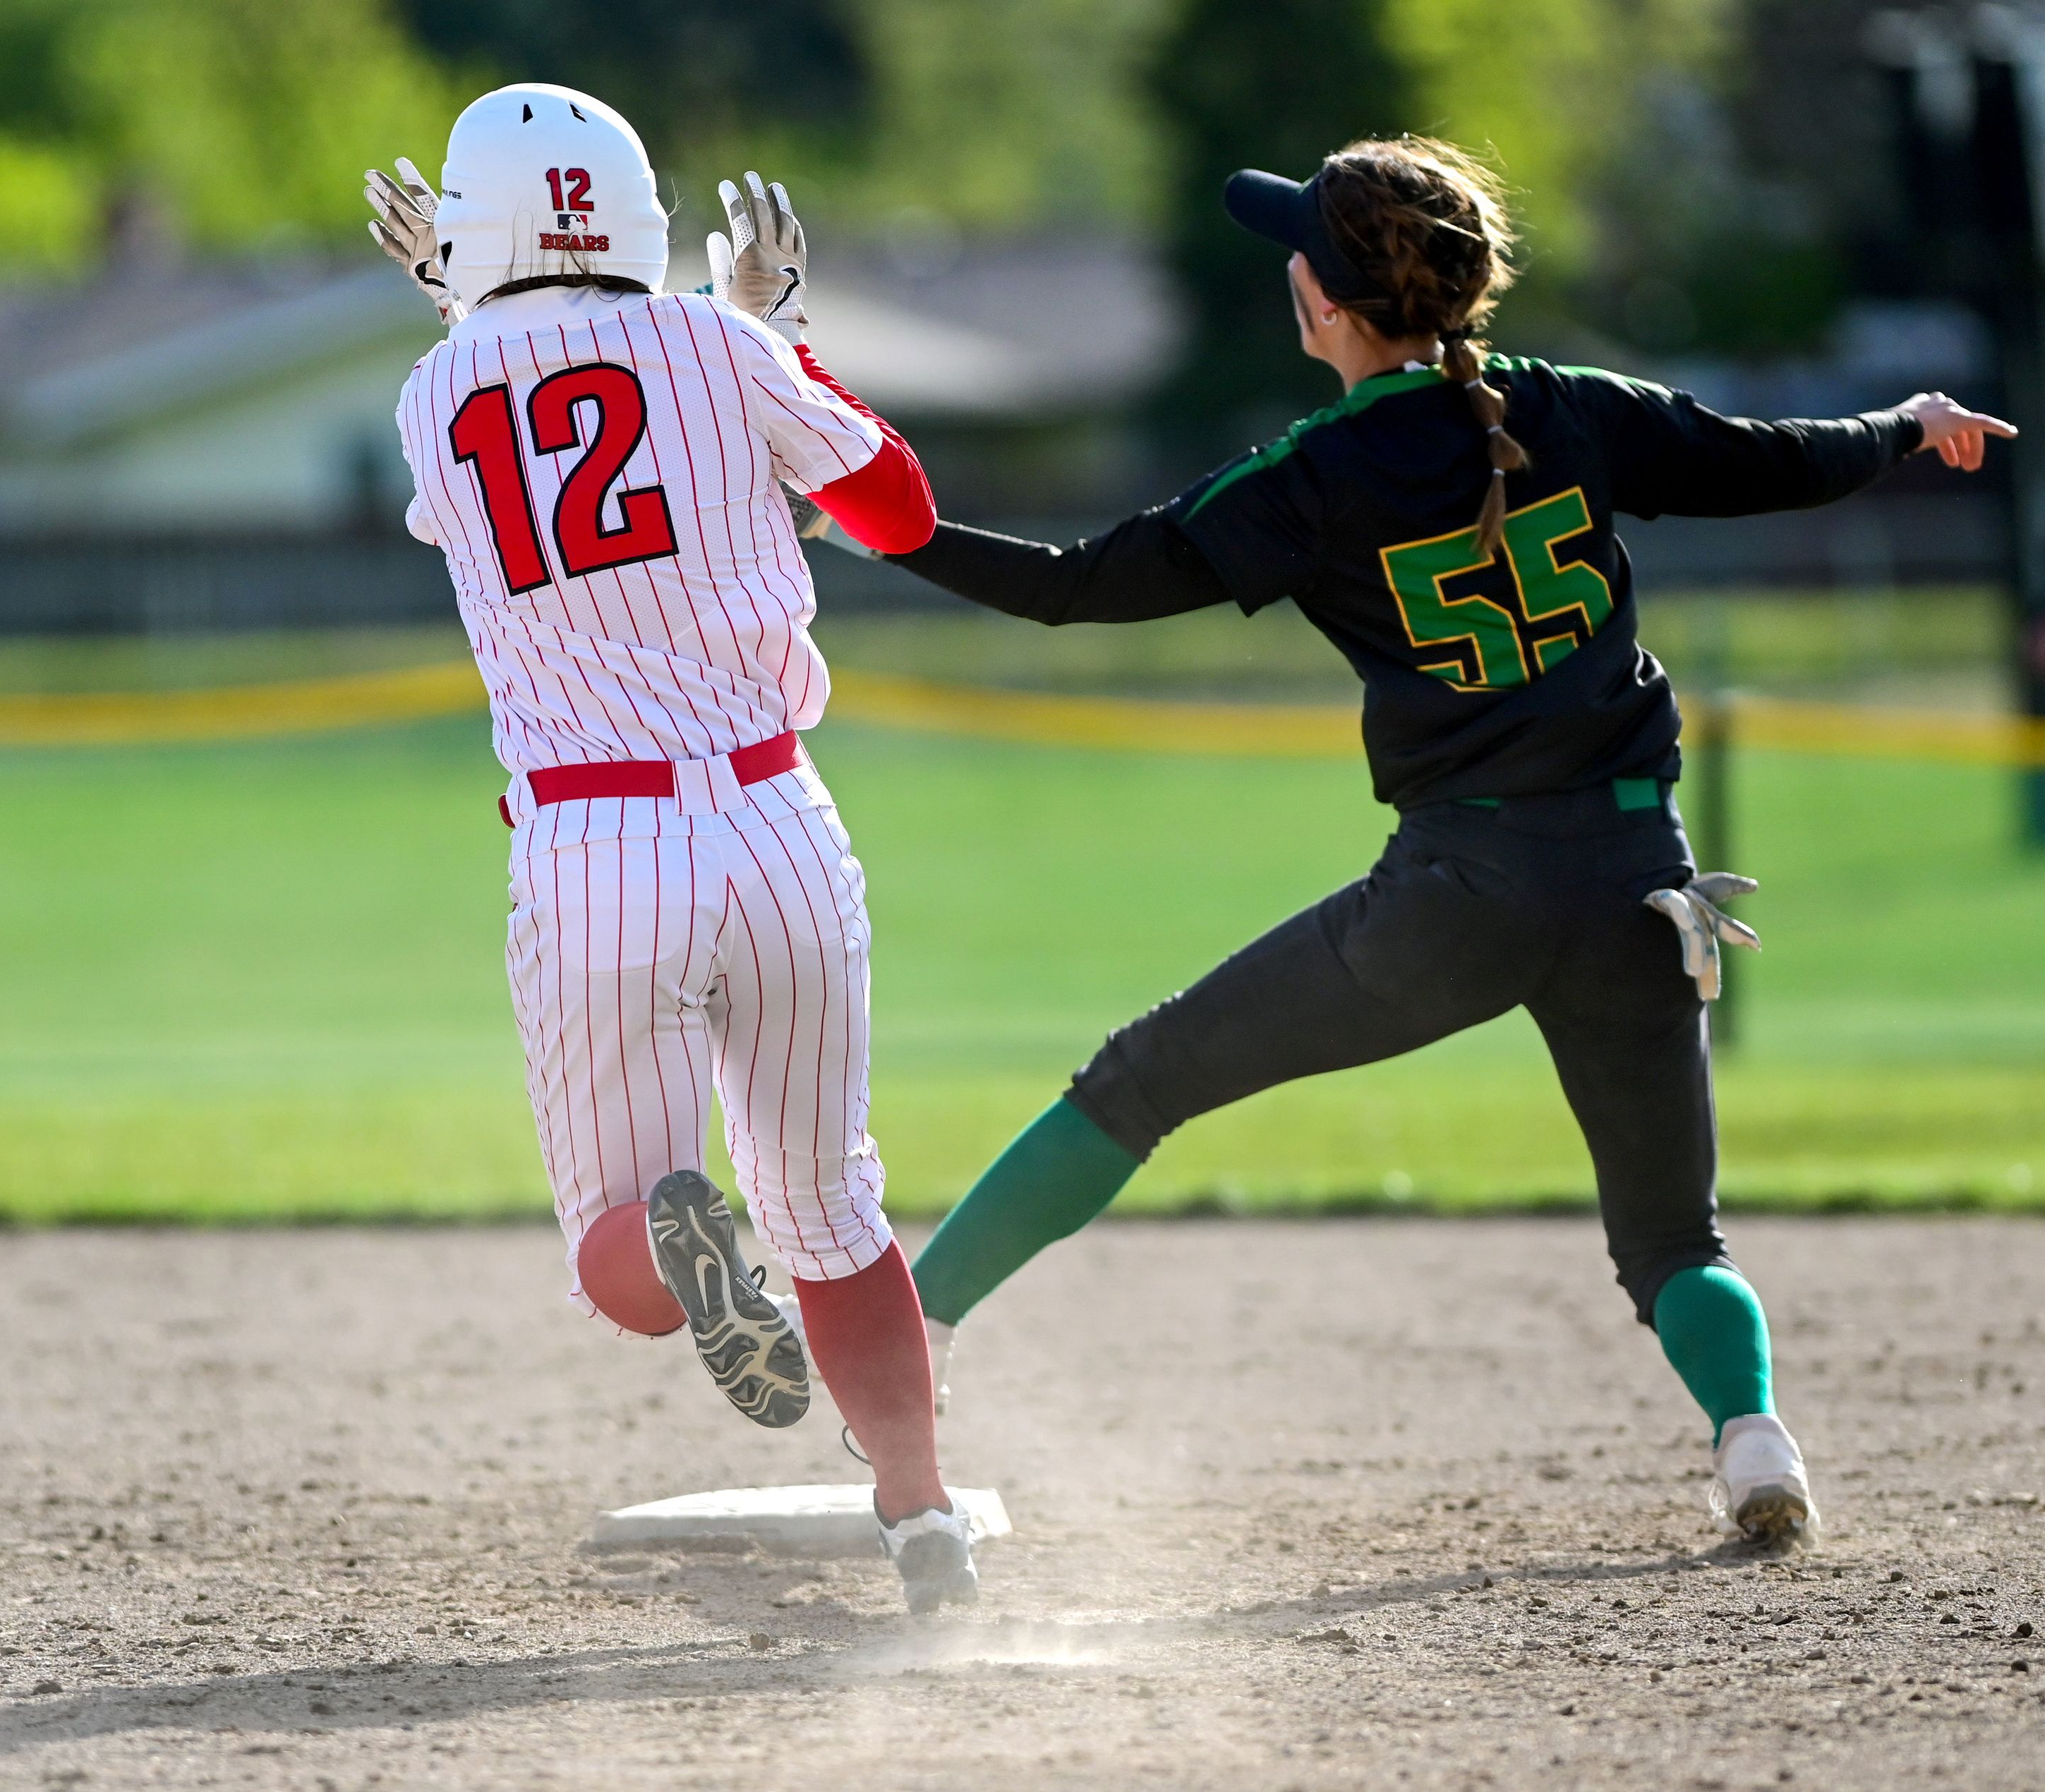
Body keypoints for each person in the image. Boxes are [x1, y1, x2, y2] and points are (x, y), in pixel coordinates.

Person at [876, 136, 2013, 1543]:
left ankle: (910, 1330)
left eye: (1301, 251)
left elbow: (1069, 591)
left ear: (1327, 305)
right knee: (1673, 1243)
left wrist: (871, 524)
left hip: (1453, 902)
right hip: (1637, 885)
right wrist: (1908, 423)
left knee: (1143, 1078)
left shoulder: (1317, 471)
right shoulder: (1570, 408)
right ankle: (1756, 1440)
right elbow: (1779, 461)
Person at [364, 83, 976, 1610]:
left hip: (594, 844)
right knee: (835, 1206)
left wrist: (459, 294)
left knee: (621, 1261)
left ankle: (692, 1245)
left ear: (471, 231)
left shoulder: (433, 394)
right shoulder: (723, 344)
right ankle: (923, 1517)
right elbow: (894, 509)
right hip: (777, 819)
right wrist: (766, 328)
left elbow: (543, 425)